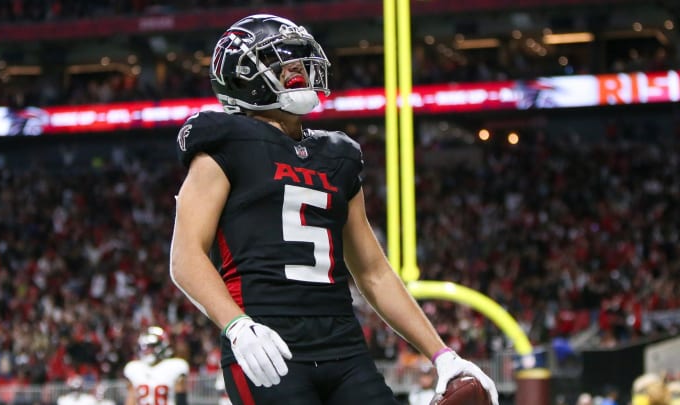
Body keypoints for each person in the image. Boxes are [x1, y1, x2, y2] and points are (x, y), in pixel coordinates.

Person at [169, 13, 499, 405]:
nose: (298, 71)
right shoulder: (226, 142)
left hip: (343, 345)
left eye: (300, 61)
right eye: (283, 62)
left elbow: (374, 273)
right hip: (269, 344)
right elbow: (186, 257)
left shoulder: (337, 155)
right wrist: (237, 326)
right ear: (243, 76)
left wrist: (443, 355)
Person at [123, 326, 189, 405]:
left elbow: (181, 398)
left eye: (150, 346)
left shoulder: (174, 366)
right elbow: (131, 399)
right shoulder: (134, 368)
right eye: (144, 347)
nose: (146, 351)